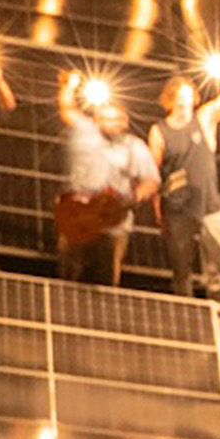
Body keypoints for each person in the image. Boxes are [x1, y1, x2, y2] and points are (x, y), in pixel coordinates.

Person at [152, 56, 220, 299]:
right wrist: (158, 213)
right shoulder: (159, 131)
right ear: (170, 100)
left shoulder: (204, 118)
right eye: (179, 97)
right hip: (178, 211)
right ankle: (193, 323)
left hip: (210, 206)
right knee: (182, 272)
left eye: (188, 96)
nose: (185, 102)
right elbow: (153, 175)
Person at [53, 73, 158, 285]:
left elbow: (151, 180)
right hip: (78, 213)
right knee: (70, 268)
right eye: (107, 119)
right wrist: (68, 86)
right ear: (96, 119)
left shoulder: (134, 146)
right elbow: (67, 109)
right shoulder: (85, 132)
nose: (113, 124)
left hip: (112, 219)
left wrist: (132, 199)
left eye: (118, 119)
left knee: (107, 274)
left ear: (126, 122)